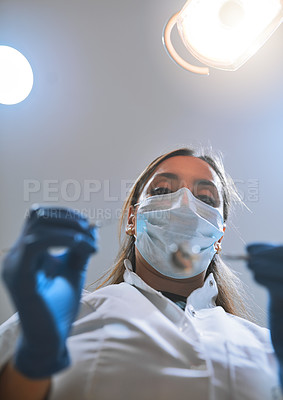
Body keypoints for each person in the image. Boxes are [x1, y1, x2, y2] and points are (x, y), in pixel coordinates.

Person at [0, 147, 282, 400]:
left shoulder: (268, 346)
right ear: (133, 219)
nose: (184, 202)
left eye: (205, 197)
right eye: (161, 191)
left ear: (220, 235)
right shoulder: (55, 319)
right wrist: (35, 355)